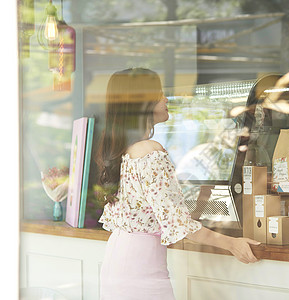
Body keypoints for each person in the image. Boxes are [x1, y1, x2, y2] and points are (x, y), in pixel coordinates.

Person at [96, 68, 260, 300]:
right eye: (159, 93)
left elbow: (151, 212)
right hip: (140, 273)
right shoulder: (149, 151)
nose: (166, 98)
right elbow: (177, 223)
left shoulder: (122, 150)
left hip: (119, 263)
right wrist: (232, 244)